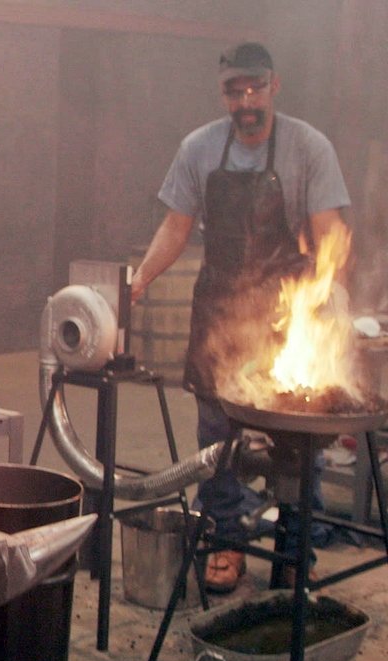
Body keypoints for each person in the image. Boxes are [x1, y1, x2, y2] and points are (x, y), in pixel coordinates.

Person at [131, 42, 351, 593]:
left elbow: (328, 232)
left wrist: (332, 301)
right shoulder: (199, 149)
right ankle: (225, 539)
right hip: (222, 313)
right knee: (216, 436)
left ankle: (295, 549)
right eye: (235, 91)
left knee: (299, 436)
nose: (246, 101)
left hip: (285, 313)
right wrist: (140, 279)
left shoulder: (308, 148)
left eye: (255, 89)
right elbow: (176, 226)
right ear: (222, 94)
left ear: (274, 86)